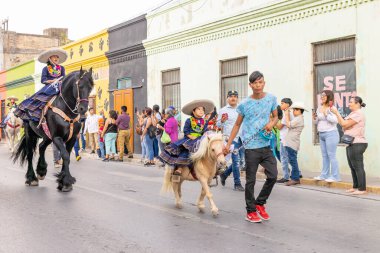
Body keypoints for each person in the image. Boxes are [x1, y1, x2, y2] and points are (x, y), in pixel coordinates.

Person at [224, 71, 278, 223]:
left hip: (266, 144)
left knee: (273, 176)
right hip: (250, 146)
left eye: (260, 82)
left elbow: (275, 117)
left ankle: (260, 203)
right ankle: (250, 211)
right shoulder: (244, 104)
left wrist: (271, 124)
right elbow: (237, 124)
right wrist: (228, 144)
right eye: (255, 83)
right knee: (250, 181)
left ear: (264, 83)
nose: (258, 85)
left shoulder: (271, 99)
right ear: (250, 85)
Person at [159, 99, 215, 175]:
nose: (201, 111)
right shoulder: (189, 120)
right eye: (199, 109)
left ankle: (214, 168)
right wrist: (190, 136)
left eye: (203, 109)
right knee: (186, 151)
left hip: (201, 139)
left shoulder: (204, 121)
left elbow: (205, 131)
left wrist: (208, 132)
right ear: (193, 111)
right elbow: (186, 130)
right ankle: (179, 168)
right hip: (189, 139)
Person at [14, 48, 67, 122]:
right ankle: (36, 113)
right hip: (50, 86)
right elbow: (43, 80)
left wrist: (60, 81)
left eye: (57, 57)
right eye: (54, 56)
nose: (56, 58)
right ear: (50, 58)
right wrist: (52, 81)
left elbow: (64, 77)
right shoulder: (45, 68)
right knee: (40, 97)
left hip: (60, 85)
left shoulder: (62, 68)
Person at [331, 96, 368, 195]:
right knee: (352, 167)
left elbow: (344, 124)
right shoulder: (353, 113)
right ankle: (355, 186)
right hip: (351, 143)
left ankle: (362, 189)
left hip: (358, 143)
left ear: (357, 104)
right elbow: (343, 123)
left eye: (351, 102)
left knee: (358, 166)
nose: (349, 104)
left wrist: (336, 113)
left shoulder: (358, 114)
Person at [217, 90, 245, 191]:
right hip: (231, 139)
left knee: (242, 162)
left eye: (235, 96)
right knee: (236, 161)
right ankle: (237, 183)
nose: (233, 98)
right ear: (227, 98)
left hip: (243, 138)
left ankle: (225, 174)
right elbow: (218, 125)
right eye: (231, 96)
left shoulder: (242, 109)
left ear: (237, 98)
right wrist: (222, 121)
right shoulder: (223, 110)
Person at [313, 90, 340, 182]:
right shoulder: (319, 108)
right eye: (321, 95)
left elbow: (336, 120)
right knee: (324, 156)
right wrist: (314, 118)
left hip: (331, 133)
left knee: (331, 155)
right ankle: (324, 175)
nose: (322, 97)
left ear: (329, 96)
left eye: (324, 95)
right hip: (321, 134)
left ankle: (335, 176)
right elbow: (316, 122)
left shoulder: (332, 108)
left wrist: (326, 114)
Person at [284, 102, 306, 186]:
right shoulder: (297, 118)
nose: (294, 111)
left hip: (293, 143)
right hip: (291, 142)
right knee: (292, 160)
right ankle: (294, 177)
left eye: (296, 109)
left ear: (300, 111)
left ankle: (295, 178)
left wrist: (286, 115)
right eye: (294, 109)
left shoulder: (299, 119)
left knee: (293, 161)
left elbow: (288, 125)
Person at [276, 98, 293, 183]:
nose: (281, 105)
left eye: (282, 103)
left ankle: (286, 176)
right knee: (289, 157)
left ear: (287, 104)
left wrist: (273, 120)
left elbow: (279, 127)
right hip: (287, 138)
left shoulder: (287, 113)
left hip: (285, 138)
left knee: (284, 157)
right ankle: (297, 172)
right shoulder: (289, 112)